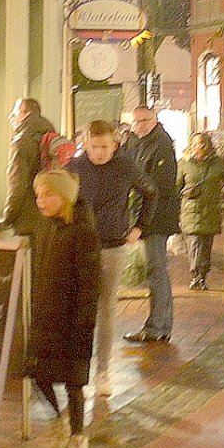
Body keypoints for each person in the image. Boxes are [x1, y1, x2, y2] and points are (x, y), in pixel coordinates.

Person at [66, 120, 158, 396]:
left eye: (105, 146)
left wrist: (139, 227)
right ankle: (78, 370)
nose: (99, 152)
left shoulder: (125, 166)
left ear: (114, 143)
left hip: (113, 245)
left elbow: (150, 192)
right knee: (80, 307)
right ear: (85, 143)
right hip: (80, 245)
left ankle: (103, 371)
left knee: (106, 306)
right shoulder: (74, 168)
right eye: (94, 147)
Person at [28, 170, 100, 448]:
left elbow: (89, 280)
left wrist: (84, 321)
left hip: (72, 318)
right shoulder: (46, 226)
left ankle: (78, 439)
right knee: (37, 372)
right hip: (47, 314)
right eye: (38, 196)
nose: (41, 201)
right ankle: (60, 421)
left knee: (73, 381)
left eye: (48, 195)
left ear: (64, 196)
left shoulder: (81, 229)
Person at [122, 107, 180, 344]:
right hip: (145, 216)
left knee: (157, 272)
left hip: (157, 218)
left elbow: (160, 186)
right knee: (156, 272)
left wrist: (141, 223)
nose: (140, 125)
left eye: (144, 121)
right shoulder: (136, 142)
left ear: (154, 120)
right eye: (136, 121)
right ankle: (160, 325)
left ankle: (158, 326)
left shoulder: (161, 144)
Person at [178, 133, 224, 290]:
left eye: (202, 144)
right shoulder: (184, 164)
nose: (198, 147)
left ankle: (202, 276)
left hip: (210, 212)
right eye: (195, 144)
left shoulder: (217, 164)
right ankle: (195, 275)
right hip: (190, 212)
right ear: (191, 146)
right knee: (194, 245)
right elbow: (175, 186)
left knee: (206, 247)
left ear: (209, 146)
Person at [1, 97, 57, 235]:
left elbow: (18, 184)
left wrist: (8, 217)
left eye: (14, 113)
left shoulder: (21, 141)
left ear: (24, 112)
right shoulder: (50, 135)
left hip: (28, 221)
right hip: (51, 217)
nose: (11, 117)